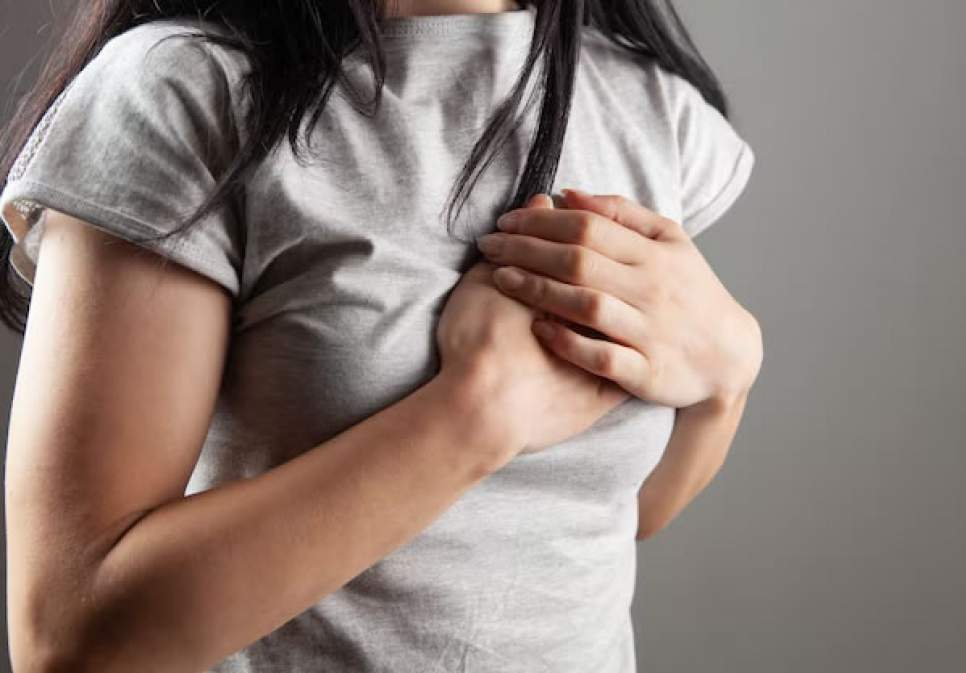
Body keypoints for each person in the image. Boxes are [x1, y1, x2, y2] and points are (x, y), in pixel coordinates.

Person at [0, 1, 762, 671]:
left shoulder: (650, 108)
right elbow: (74, 642)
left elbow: (602, 519)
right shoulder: (184, 93)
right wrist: (474, 416)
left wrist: (725, 384)